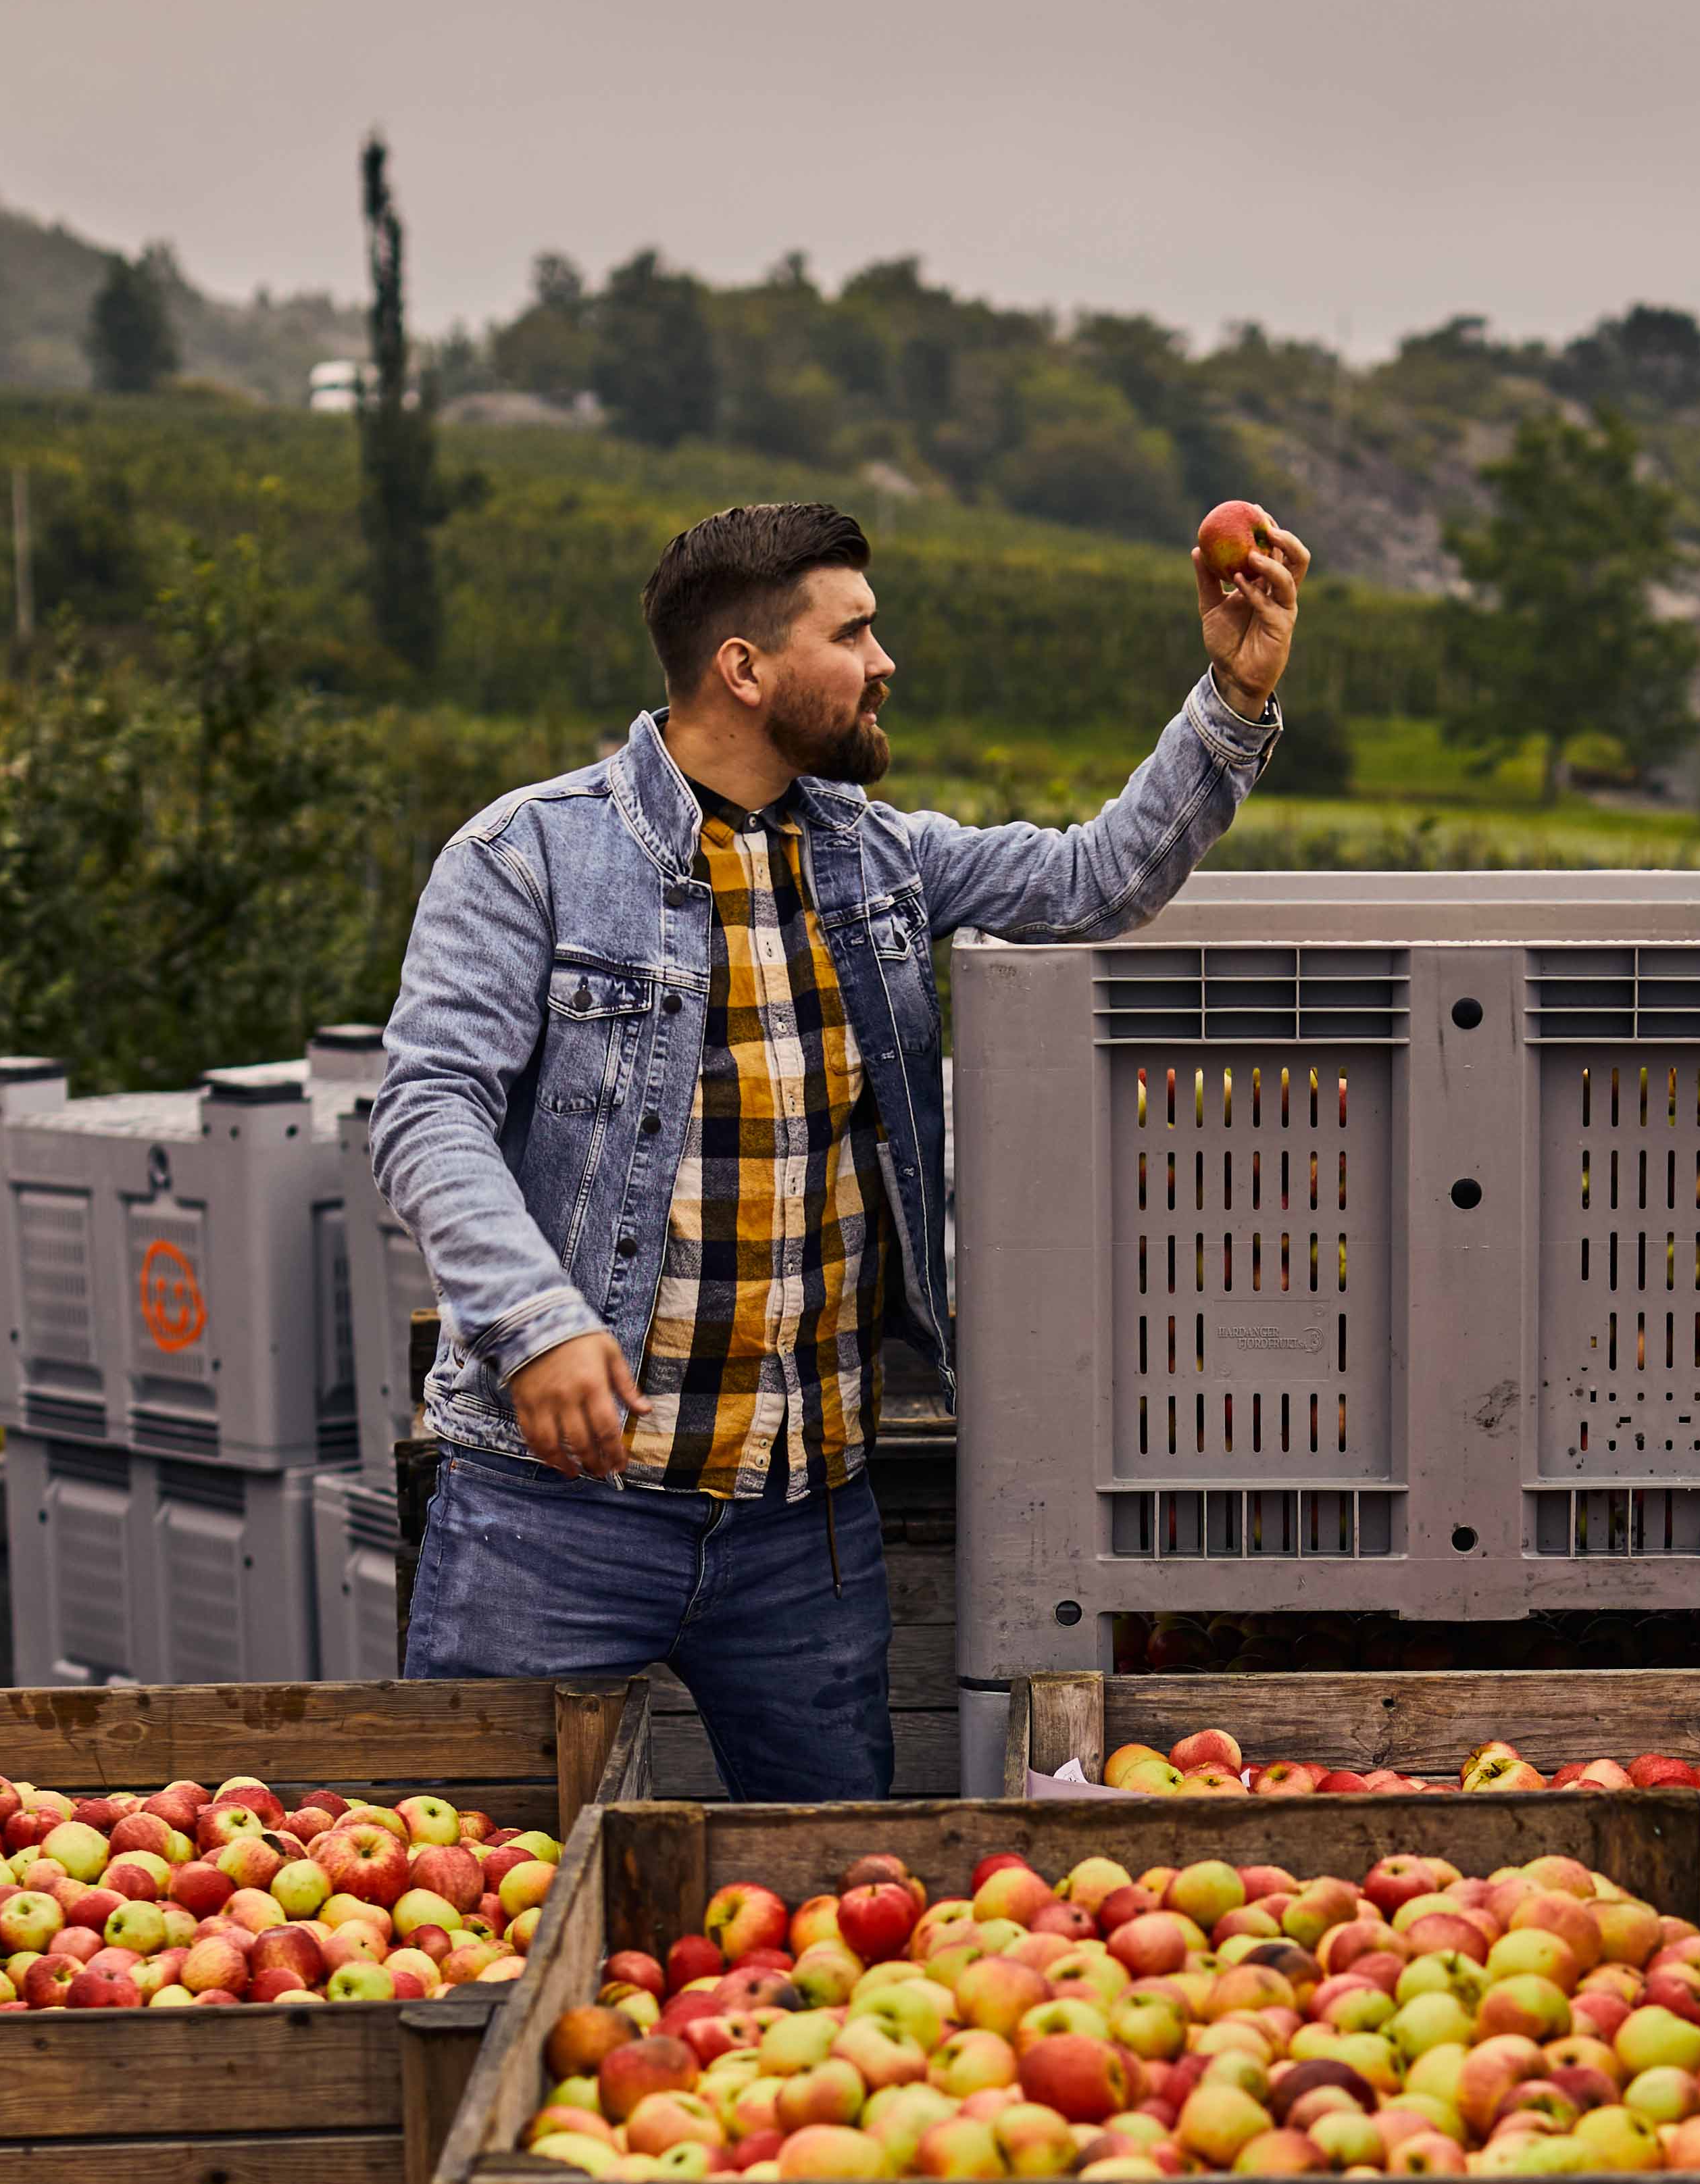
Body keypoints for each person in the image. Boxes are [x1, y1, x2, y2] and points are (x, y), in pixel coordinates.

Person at [370, 494, 1307, 1794]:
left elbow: (1097, 879)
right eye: (854, 633)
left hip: (805, 1528)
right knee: (489, 1891)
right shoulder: (528, 856)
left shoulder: (884, 861)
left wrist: (1234, 695)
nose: (885, 663)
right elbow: (427, 1109)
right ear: (744, 670)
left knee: (831, 1917)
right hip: (553, 1515)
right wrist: (534, 1320)